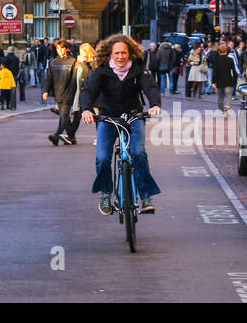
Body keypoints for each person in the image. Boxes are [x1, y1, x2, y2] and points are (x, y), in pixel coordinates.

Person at [79, 35, 162, 215]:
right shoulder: (102, 71)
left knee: (138, 152)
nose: (120, 57)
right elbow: (89, 90)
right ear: (110, 54)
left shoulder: (138, 69)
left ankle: (146, 197)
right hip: (108, 117)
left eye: (124, 52)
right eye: (117, 53)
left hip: (133, 116)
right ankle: (106, 194)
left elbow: (150, 87)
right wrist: (86, 109)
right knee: (102, 157)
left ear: (130, 53)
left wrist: (155, 105)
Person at [43, 40, 77, 146]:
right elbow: (49, 78)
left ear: (67, 49)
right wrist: (46, 91)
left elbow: (74, 79)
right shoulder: (53, 62)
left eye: (62, 48)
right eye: (58, 48)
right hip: (58, 93)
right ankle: (71, 137)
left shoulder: (73, 61)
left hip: (69, 93)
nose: (60, 50)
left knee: (63, 114)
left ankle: (56, 136)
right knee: (65, 116)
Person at [209, 43, 238, 113]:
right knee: (229, 96)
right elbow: (234, 71)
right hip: (228, 80)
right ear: (226, 51)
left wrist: (213, 82)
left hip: (219, 81)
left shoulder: (217, 60)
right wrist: (235, 80)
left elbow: (215, 72)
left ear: (219, 51)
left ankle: (221, 110)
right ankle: (227, 109)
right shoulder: (230, 60)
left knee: (220, 97)